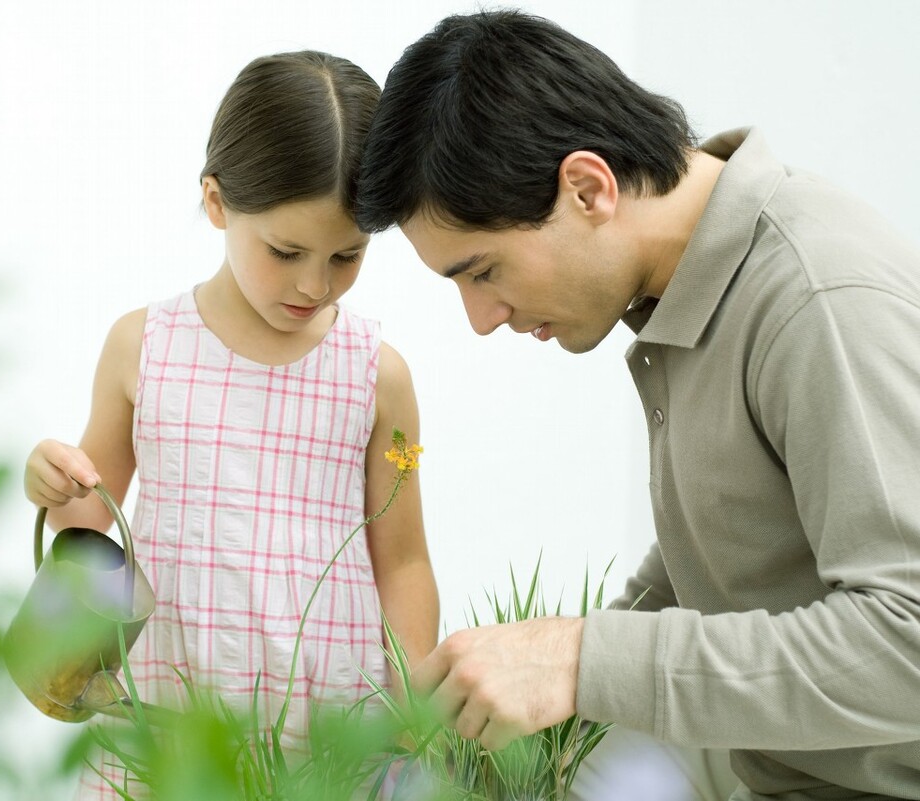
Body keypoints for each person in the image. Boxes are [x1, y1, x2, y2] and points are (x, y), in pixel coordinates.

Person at [355, 10, 920, 801]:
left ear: (588, 187)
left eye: (481, 272)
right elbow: (738, 553)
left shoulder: (814, 297)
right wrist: (539, 687)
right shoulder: (686, 297)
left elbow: (910, 642)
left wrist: (581, 659)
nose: (481, 319)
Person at [24, 50, 439, 797]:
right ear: (216, 203)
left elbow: (402, 560)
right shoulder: (143, 346)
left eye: (348, 255)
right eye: (286, 251)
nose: (315, 283)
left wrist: (406, 715)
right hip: (166, 721)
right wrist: (52, 479)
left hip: (327, 729)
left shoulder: (377, 374)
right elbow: (89, 520)